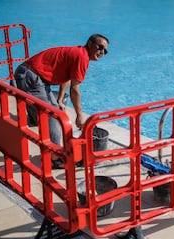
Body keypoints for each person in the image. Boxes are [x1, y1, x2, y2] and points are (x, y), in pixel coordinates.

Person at [14, 34, 109, 168]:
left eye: (105, 51)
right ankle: (54, 158)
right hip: (31, 77)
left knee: (55, 113)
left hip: (33, 76)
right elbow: (75, 89)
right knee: (51, 118)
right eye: (100, 47)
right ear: (89, 43)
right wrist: (79, 115)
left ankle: (51, 148)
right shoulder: (82, 56)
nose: (102, 52)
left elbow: (68, 78)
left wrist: (59, 99)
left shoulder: (79, 54)